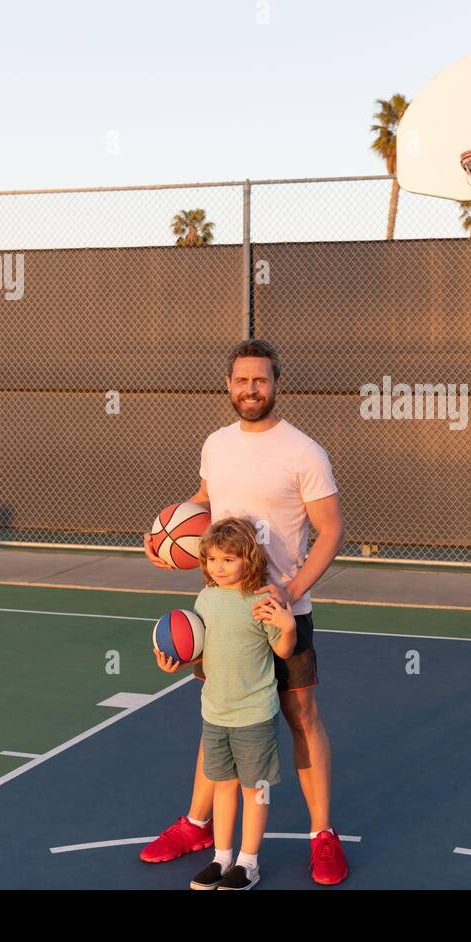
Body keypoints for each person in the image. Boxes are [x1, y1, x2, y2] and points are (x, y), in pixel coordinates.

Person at [141, 339, 349, 884]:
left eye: (260, 380)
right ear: (228, 386)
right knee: (221, 715)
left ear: (277, 384)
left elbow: (330, 531)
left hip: (282, 611)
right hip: (223, 612)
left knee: (302, 717)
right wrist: (170, 542)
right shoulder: (216, 444)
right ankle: (197, 823)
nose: (250, 389)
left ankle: (322, 834)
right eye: (241, 380)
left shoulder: (305, 452)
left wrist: (292, 588)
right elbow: (205, 501)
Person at [172, 517, 296, 890]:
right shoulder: (205, 599)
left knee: (254, 788)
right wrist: (175, 658)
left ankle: (248, 862)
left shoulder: (261, 601)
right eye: (211, 560)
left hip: (254, 714)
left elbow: (282, 650)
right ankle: (221, 857)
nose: (218, 567)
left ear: (249, 558)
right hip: (215, 712)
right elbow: (201, 651)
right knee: (223, 785)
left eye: (228, 559)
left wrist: (288, 627)